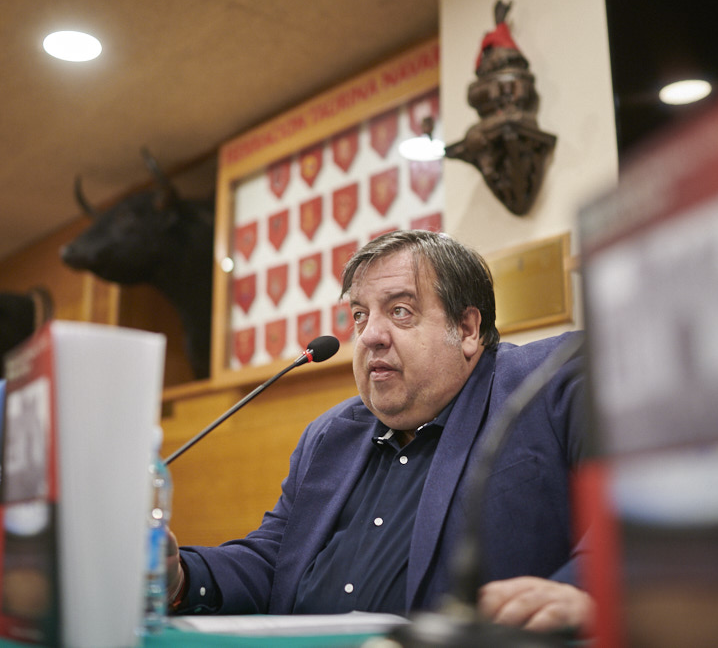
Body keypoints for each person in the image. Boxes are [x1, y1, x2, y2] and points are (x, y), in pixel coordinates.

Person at [166, 229, 592, 633]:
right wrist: (182, 576)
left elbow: (638, 505)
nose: (370, 336)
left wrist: (587, 589)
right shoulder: (329, 437)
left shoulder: (546, 384)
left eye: (400, 311)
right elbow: (274, 562)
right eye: (359, 315)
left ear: (466, 329)